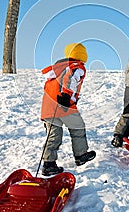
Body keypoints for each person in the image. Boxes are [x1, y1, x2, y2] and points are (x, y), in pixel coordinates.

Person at [40, 42, 96, 176]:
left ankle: (48, 164)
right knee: (78, 127)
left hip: (48, 107)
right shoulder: (76, 66)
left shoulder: (57, 69)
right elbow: (70, 79)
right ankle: (81, 154)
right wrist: (66, 95)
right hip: (64, 104)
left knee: (53, 135)